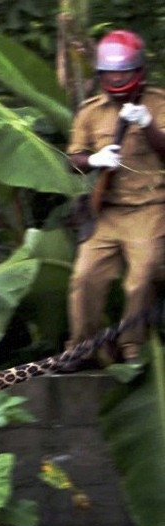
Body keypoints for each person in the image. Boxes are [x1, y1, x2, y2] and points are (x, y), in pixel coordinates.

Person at [67, 29, 165, 365]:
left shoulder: (159, 102)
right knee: (84, 277)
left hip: (149, 208)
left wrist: (149, 124)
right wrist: (94, 159)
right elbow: (73, 162)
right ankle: (82, 346)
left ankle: (131, 346)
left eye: (122, 71)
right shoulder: (91, 111)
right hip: (106, 211)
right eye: (109, 72)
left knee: (142, 277)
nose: (116, 78)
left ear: (138, 71)